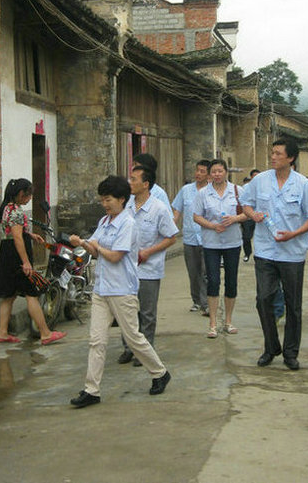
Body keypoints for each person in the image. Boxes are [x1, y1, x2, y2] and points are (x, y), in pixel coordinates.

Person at [69, 175, 171, 408]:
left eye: (109, 200)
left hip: (122, 289)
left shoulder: (128, 224)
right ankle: (91, 390)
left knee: (133, 338)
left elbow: (115, 256)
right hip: (101, 289)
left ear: (122, 199)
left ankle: (160, 372)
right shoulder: (104, 221)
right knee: (96, 340)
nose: (105, 204)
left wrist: (96, 246)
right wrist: (82, 243)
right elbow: (94, 250)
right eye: (102, 200)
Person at [241, 138, 308, 370]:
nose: (273, 157)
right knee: (263, 300)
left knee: (293, 305)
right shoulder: (260, 180)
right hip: (265, 250)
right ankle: (271, 347)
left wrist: (294, 233)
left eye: (278, 153)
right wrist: (253, 214)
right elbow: (245, 203)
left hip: (292, 253)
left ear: (291, 158)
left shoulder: (303, 184)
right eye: (272, 153)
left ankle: (290, 353)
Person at [117, 165, 178, 366]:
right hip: (126, 268)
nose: (130, 183)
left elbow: (171, 238)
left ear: (145, 184)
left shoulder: (159, 208)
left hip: (149, 269)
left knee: (147, 313)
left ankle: (144, 352)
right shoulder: (125, 206)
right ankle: (128, 348)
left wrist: (148, 252)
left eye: (134, 179)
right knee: (127, 311)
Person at [0, 178, 66, 346]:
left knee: (9, 296)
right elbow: (17, 237)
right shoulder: (16, 212)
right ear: (20, 194)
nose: (30, 198)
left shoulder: (7, 208)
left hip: (6, 252)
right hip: (17, 255)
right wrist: (26, 262)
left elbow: (12, 233)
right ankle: (45, 333)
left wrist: (30, 235)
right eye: (28, 194)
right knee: (31, 294)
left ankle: (2, 332)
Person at [192, 159, 246, 338]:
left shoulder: (237, 191)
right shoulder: (203, 193)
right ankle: (213, 323)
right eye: (213, 171)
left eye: (220, 171)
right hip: (211, 243)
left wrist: (234, 219)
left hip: (232, 242)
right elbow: (196, 216)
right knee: (213, 281)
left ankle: (228, 321)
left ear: (226, 172)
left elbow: (248, 212)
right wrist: (212, 226)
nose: (217, 174)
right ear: (210, 174)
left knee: (231, 281)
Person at [172, 160, 210, 315]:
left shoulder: (211, 191)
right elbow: (177, 211)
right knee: (193, 272)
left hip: (207, 238)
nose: (198, 174)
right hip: (189, 238)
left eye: (202, 171)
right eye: (197, 170)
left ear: (208, 174)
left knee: (206, 272)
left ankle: (206, 303)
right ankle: (196, 301)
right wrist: (170, 229)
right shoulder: (186, 190)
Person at [133, 152, 173, 216]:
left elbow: (168, 218)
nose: (132, 168)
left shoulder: (159, 193)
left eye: (136, 165)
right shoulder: (128, 188)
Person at [241, 168, 260, 262]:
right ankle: (247, 253)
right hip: (248, 217)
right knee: (246, 237)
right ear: (251, 177)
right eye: (254, 176)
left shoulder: (265, 187)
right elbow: (242, 201)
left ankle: (259, 255)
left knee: (260, 237)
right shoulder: (245, 187)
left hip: (260, 217)